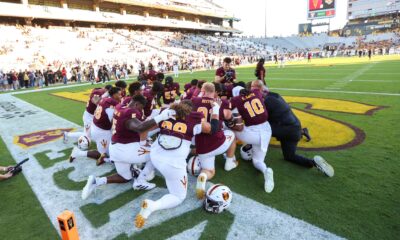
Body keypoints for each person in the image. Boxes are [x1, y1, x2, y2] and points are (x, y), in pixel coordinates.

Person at [81, 95, 176, 200]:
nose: (140, 112)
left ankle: (96, 181)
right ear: (136, 104)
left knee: (125, 177)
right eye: (140, 108)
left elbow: (132, 126)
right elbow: (140, 127)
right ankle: (140, 181)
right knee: (156, 154)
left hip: (115, 148)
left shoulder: (119, 107)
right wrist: (161, 117)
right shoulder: (130, 113)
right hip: (125, 149)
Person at [135, 100, 211, 228]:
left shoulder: (166, 113)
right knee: (179, 196)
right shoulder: (194, 119)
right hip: (173, 165)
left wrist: (143, 143)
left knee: (156, 148)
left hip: (155, 157)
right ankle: (153, 206)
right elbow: (209, 129)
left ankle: (143, 176)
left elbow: (144, 129)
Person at [246, 81, 334, 177]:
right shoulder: (274, 95)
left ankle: (253, 153)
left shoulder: (266, 102)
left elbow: (259, 120)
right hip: (294, 128)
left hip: (286, 130)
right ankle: (312, 162)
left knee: (260, 130)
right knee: (289, 156)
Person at [192, 83, 237, 199]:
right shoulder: (219, 103)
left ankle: (203, 175)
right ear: (215, 91)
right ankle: (229, 162)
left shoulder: (194, 101)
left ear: (203, 90)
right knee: (231, 134)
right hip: (217, 142)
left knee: (209, 171)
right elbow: (228, 116)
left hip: (201, 146)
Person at [230, 83, 274, 193]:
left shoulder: (236, 100)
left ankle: (229, 158)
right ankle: (265, 170)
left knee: (229, 128)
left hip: (253, 133)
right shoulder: (256, 92)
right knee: (257, 161)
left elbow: (237, 122)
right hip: (267, 130)